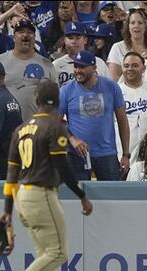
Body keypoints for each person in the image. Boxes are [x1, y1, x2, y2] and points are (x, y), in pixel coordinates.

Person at [0, 80, 94, 271]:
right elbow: (62, 166)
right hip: (42, 194)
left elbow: (11, 174)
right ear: (57, 102)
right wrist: (81, 194)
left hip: (22, 196)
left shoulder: (21, 129)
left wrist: (7, 210)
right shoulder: (55, 126)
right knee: (59, 253)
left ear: (36, 101)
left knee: (45, 255)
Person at [59, 50, 131, 180]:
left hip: (107, 154)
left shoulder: (111, 87)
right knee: (78, 197)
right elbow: (55, 121)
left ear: (94, 68)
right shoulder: (66, 90)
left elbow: (122, 120)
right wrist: (72, 139)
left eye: (82, 67)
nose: (77, 70)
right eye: (76, 66)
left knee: (111, 197)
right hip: (77, 155)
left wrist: (126, 154)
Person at [0, 18, 59, 118]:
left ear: (34, 37)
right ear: (14, 37)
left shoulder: (47, 64)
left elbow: (54, 97)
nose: (25, 35)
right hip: (4, 124)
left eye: (29, 32)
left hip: (36, 126)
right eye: (21, 32)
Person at [119, 51, 147, 159]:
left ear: (143, 68)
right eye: (126, 66)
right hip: (122, 154)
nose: (130, 68)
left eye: (135, 65)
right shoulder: (115, 92)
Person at [53, 21, 112, 86]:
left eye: (78, 38)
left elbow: (109, 87)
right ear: (64, 40)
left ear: (85, 40)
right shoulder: (56, 65)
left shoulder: (99, 63)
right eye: (70, 38)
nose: (73, 41)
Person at [107, 8, 147, 80]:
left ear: (146, 26)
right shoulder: (117, 47)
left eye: (140, 23)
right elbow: (113, 77)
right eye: (132, 23)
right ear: (128, 26)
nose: (136, 26)